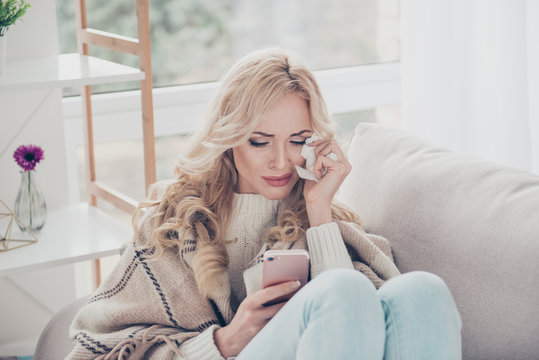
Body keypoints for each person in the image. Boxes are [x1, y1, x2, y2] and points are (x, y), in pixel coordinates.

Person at [67, 48, 462, 360]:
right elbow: (92, 349)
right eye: (259, 141)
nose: (279, 161)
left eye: (297, 140)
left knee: (422, 291)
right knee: (341, 287)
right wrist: (225, 341)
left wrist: (318, 209)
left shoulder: (323, 219)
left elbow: (358, 320)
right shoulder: (172, 224)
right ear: (229, 137)